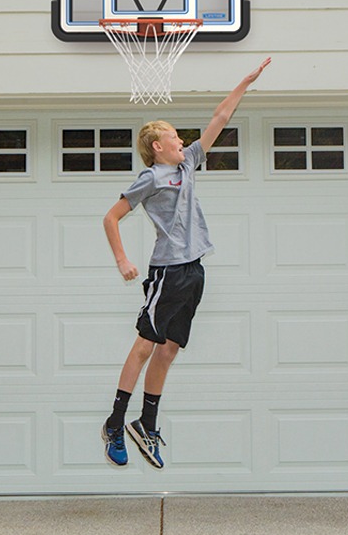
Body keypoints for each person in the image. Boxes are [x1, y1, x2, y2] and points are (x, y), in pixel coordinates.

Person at [101, 58, 271, 469]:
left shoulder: (189, 164)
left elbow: (219, 117)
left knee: (170, 348)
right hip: (168, 270)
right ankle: (116, 420)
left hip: (194, 269)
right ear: (157, 147)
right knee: (145, 345)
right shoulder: (151, 178)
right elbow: (111, 216)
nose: (182, 141)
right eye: (174, 138)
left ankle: (147, 423)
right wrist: (123, 259)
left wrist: (244, 83)